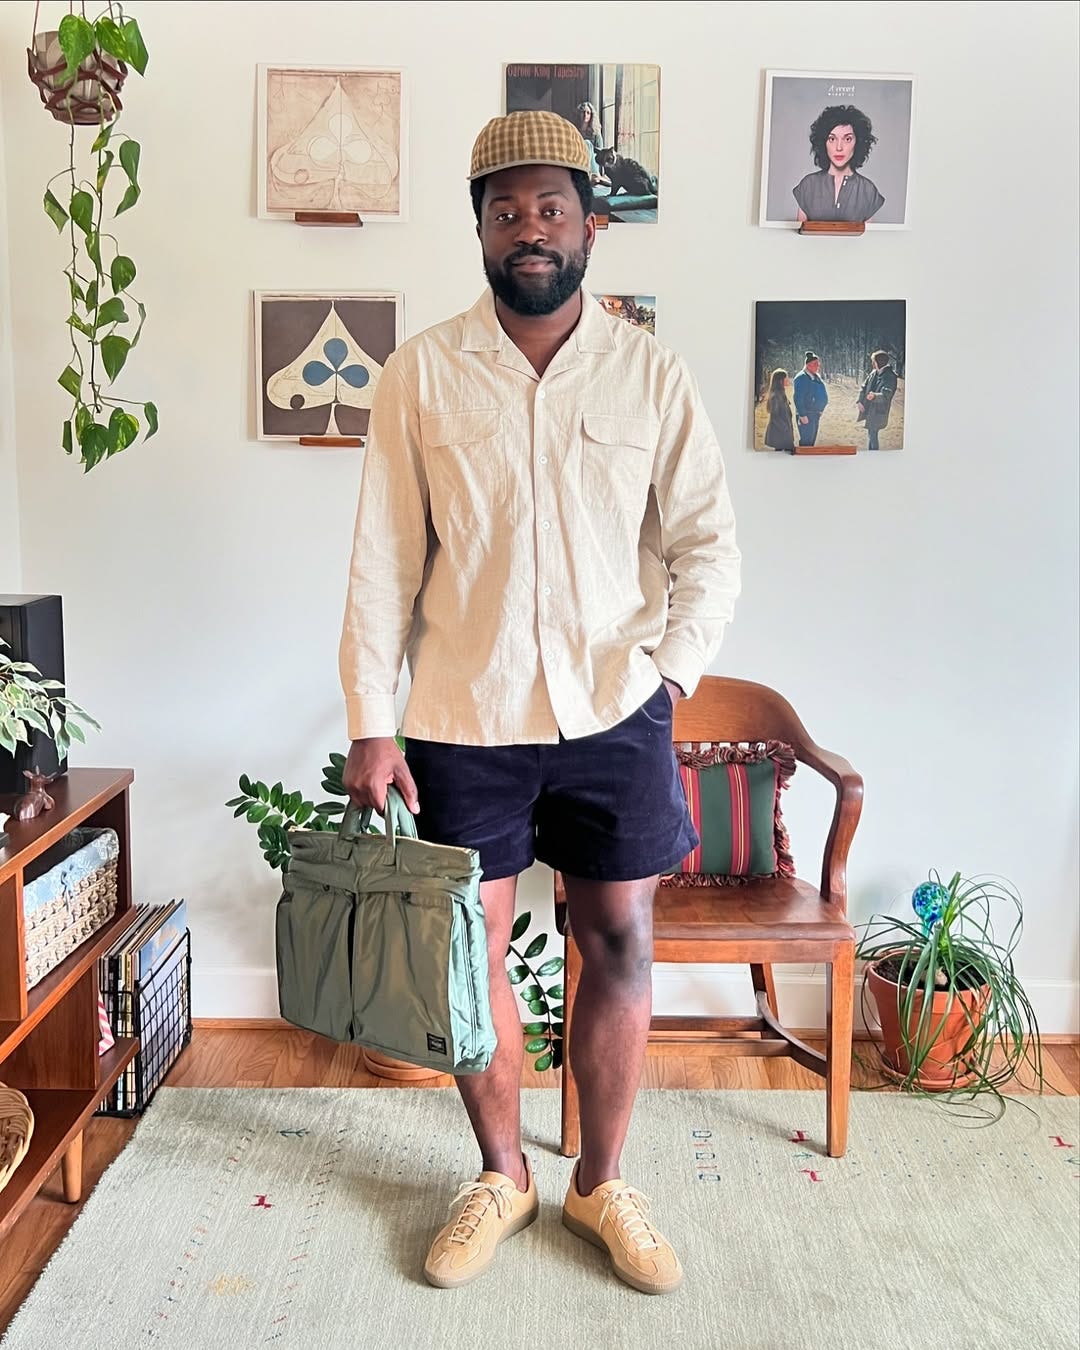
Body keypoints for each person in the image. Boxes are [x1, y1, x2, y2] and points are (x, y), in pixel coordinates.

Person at [339, 109, 740, 1296]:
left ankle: (602, 1181)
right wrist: (372, 717)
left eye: (550, 208)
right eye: (505, 210)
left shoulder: (649, 372)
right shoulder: (420, 374)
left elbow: (708, 543)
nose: (529, 229)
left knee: (617, 939)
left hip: (617, 711)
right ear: (478, 229)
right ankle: (503, 1173)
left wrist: (669, 673)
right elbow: (381, 563)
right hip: (466, 716)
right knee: (471, 956)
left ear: (589, 227)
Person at [792, 105, 885, 224]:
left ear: (858, 142)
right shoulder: (808, 185)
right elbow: (799, 237)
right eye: (832, 139)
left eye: (847, 139)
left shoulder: (867, 190)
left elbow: (868, 240)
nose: (839, 147)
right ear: (823, 142)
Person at [857, 349, 898, 450]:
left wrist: (875, 396)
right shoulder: (873, 373)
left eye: (873, 361)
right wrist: (859, 401)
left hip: (878, 412)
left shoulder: (890, 376)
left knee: (873, 434)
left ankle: (874, 456)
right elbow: (863, 387)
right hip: (869, 410)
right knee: (871, 434)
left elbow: (886, 395)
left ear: (879, 362)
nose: (872, 364)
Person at [792, 351, 829, 446]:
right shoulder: (802, 377)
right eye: (815, 364)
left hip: (814, 414)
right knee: (806, 442)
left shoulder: (815, 377)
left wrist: (820, 410)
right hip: (807, 415)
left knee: (811, 441)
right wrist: (802, 415)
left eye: (818, 363)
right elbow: (798, 398)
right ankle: (803, 460)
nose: (818, 366)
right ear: (808, 365)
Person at [763, 368, 796, 452]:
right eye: (786, 378)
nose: (788, 379)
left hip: (783, 433)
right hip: (781, 433)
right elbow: (775, 416)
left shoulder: (781, 393)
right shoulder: (776, 396)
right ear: (780, 381)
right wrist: (785, 429)